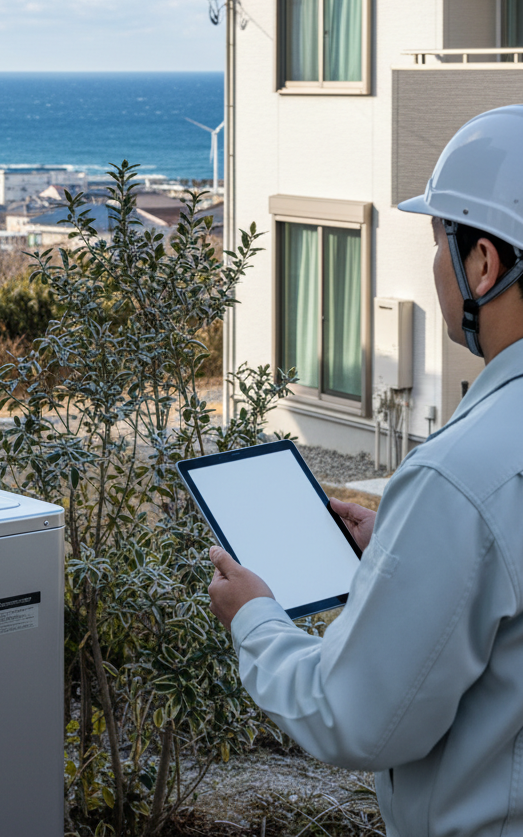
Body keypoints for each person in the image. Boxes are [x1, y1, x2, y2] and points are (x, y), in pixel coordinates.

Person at [207, 105, 523, 836]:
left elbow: (354, 716)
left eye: (441, 244)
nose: (437, 267)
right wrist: (404, 544)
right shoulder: (466, 494)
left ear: (484, 263)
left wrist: (253, 618)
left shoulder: (459, 478)